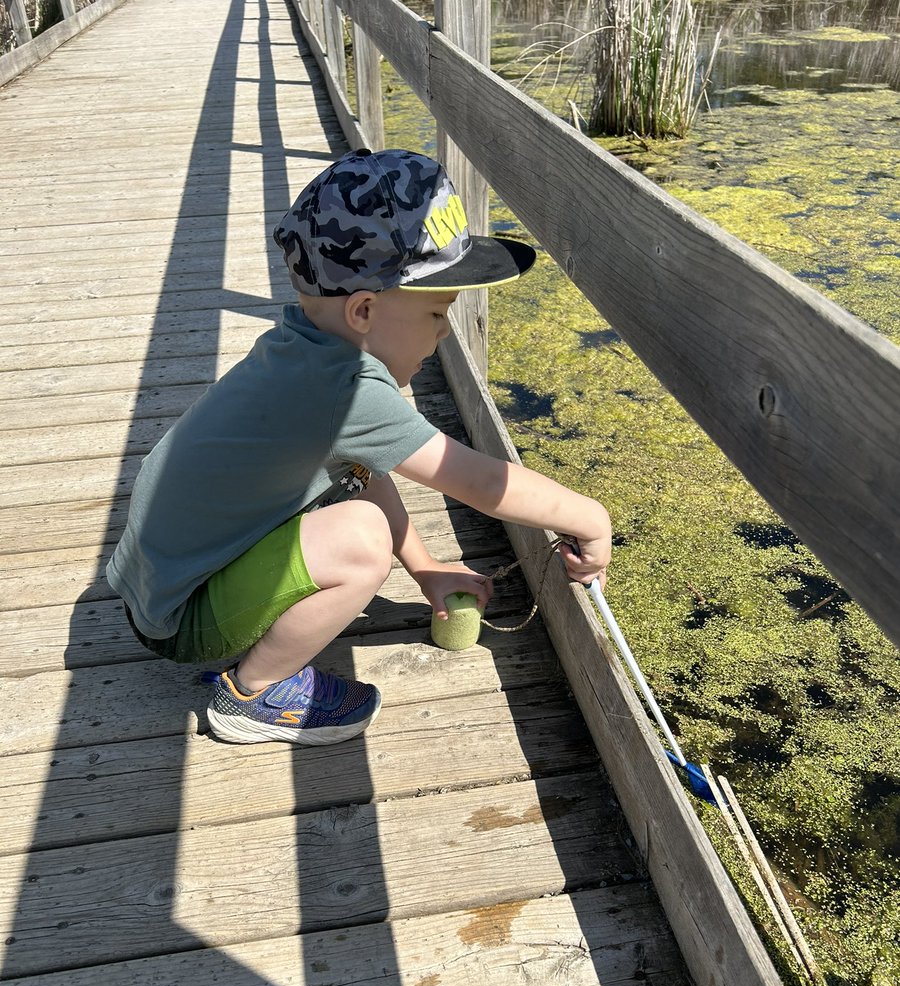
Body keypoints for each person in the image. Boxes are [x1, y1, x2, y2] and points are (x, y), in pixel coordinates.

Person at [107, 148, 611, 747]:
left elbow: (360, 471)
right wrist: (590, 517)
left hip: (159, 583)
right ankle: (250, 695)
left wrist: (423, 568)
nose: (446, 330)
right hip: (181, 618)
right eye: (437, 310)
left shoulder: (304, 350)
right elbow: (477, 481)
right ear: (366, 309)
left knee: (358, 512)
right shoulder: (343, 390)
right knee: (361, 540)